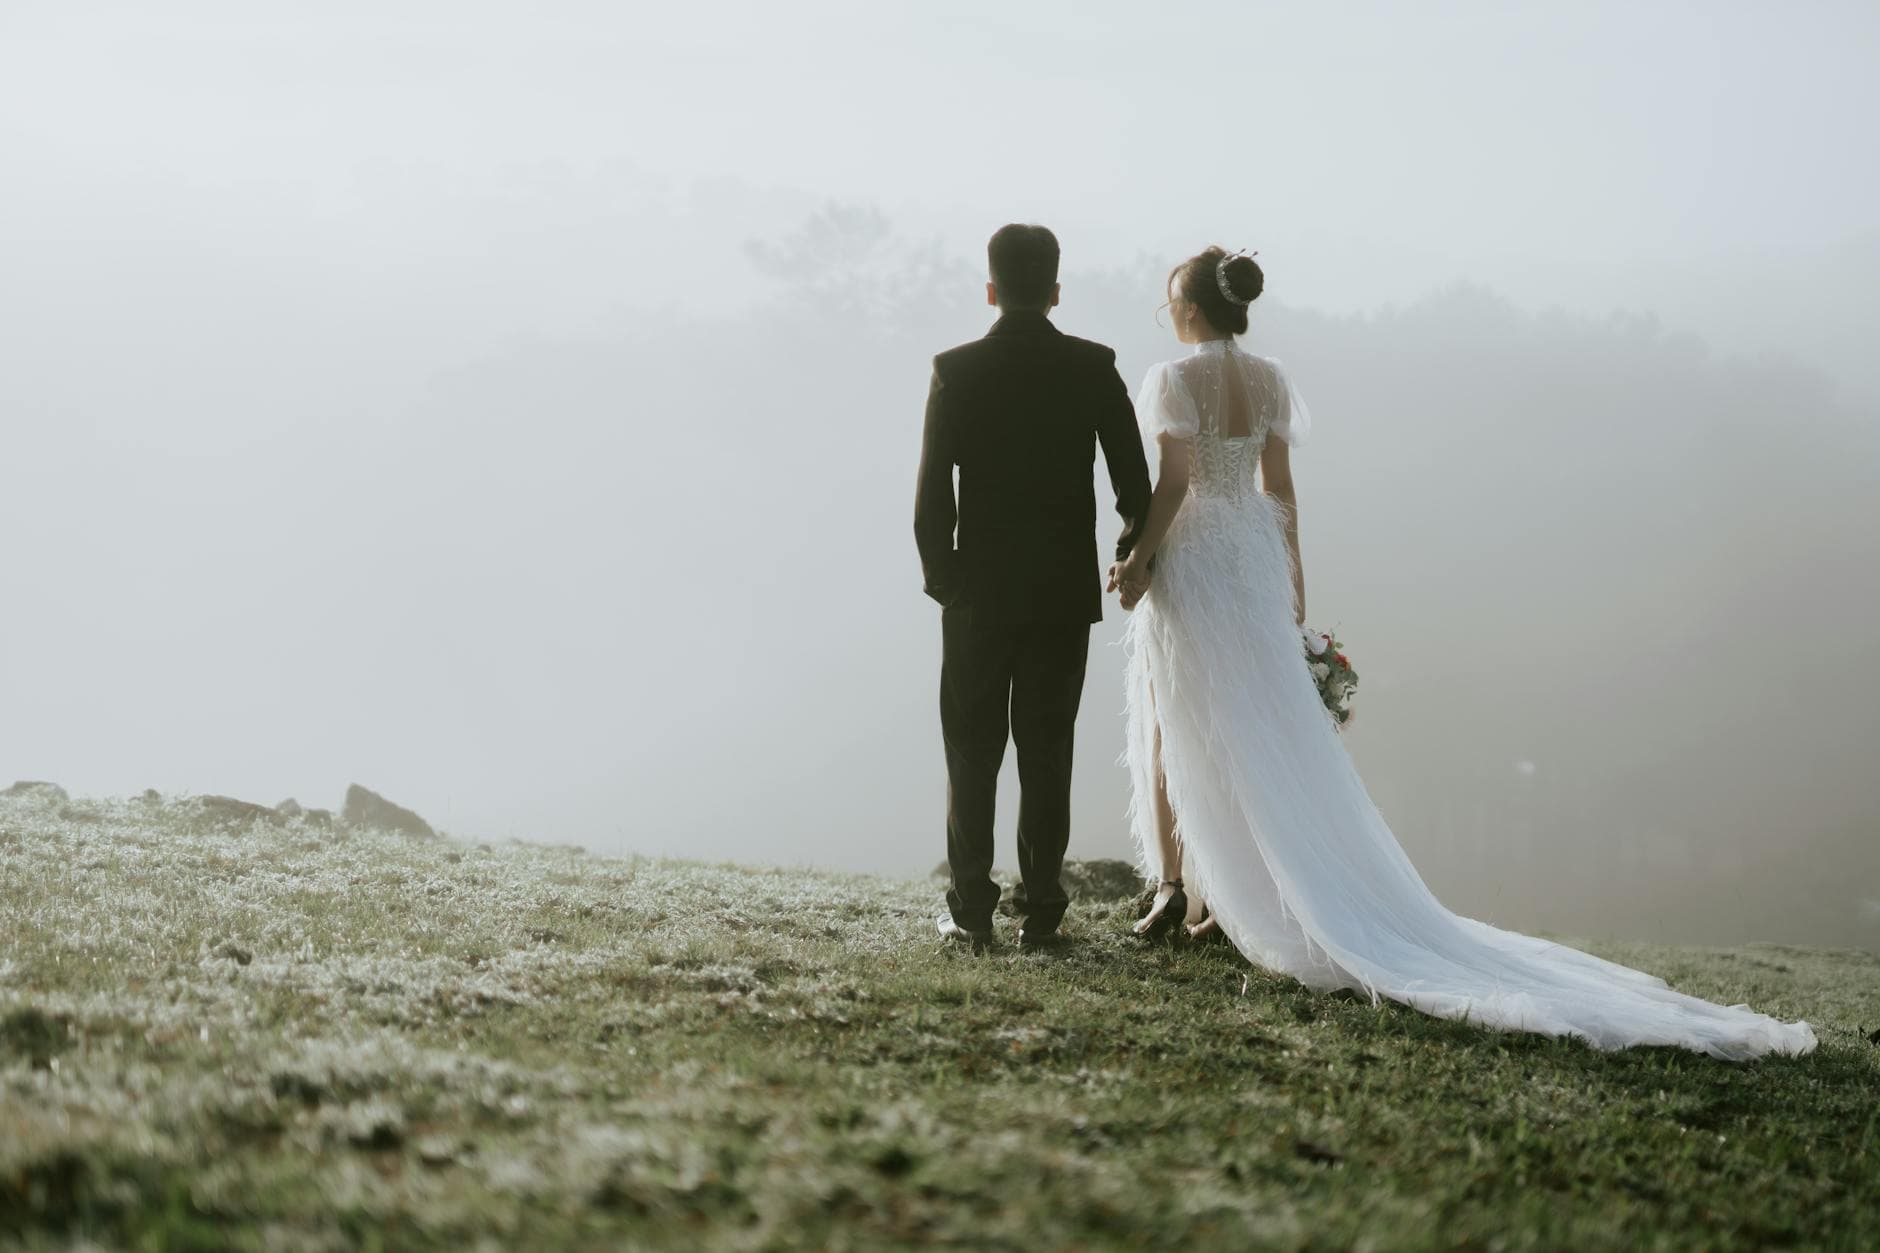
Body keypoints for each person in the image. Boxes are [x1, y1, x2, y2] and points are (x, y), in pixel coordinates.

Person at [1110, 245, 1816, 1060]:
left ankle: (1181, 891)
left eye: (1173, 301)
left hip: (1200, 556)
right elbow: (1282, 491)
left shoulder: (1172, 380)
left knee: (1181, 717)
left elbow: (1172, 483)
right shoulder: (1269, 379)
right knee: (1262, 727)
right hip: (1255, 558)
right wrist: (1293, 582)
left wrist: (1137, 560)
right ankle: (1223, 895)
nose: (1171, 314)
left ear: (1192, 308)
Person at [915, 223, 1152, 950]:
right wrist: (1123, 550)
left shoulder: (955, 369)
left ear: (991, 290)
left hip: (977, 594)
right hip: (1059, 593)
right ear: (1055, 291)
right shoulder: (1093, 366)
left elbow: (932, 499)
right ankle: (1043, 911)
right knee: (1047, 751)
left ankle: (972, 910)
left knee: (971, 751)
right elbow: (1134, 487)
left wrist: (947, 582)